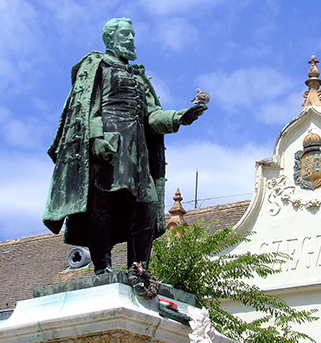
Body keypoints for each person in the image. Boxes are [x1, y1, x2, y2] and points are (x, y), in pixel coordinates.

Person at [43, 18, 207, 287]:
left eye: (133, 35)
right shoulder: (97, 64)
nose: (131, 40)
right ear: (111, 39)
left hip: (137, 147)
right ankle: (102, 267)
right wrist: (96, 137)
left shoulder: (139, 76)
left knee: (146, 205)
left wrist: (179, 116)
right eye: (126, 35)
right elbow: (86, 107)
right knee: (102, 204)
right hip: (109, 142)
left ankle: (138, 269)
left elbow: (152, 116)